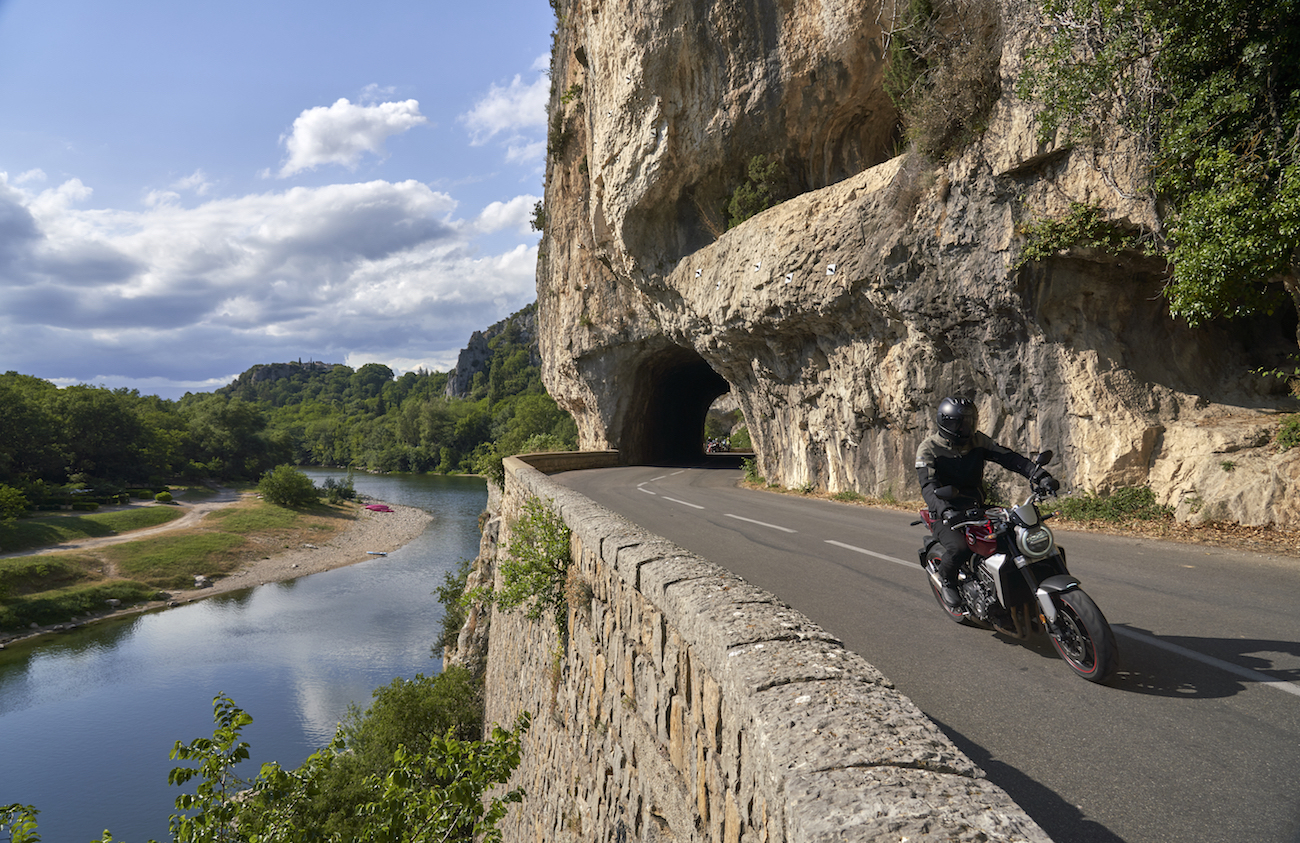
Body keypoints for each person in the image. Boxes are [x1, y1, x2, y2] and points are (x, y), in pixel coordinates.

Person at [915, 396, 1059, 609]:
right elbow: (928, 486)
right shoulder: (929, 449)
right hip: (946, 513)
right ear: (945, 422)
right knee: (959, 548)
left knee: (1017, 534)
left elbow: (1010, 458)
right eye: (959, 422)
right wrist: (945, 511)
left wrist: (1038, 474)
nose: (965, 427)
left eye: (969, 421)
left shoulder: (978, 441)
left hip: (976, 507)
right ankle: (948, 580)